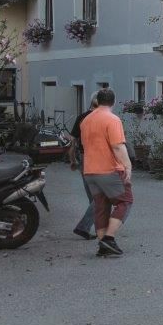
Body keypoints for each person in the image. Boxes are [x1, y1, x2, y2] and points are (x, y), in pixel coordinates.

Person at [80, 88, 133, 257]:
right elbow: (117, 145)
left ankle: (102, 245)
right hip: (109, 170)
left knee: (101, 207)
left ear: (97, 101)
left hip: (89, 170)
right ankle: (109, 239)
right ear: (113, 101)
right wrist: (127, 165)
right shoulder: (112, 119)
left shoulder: (86, 120)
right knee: (125, 201)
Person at [68, 95, 99, 240]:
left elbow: (73, 141)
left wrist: (73, 159)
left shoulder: (81, 117)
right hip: (99, 159)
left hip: (83, 157)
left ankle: (99, 228)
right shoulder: (103, 118)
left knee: (92, 196)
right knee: (102, 196)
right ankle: (84, 226)